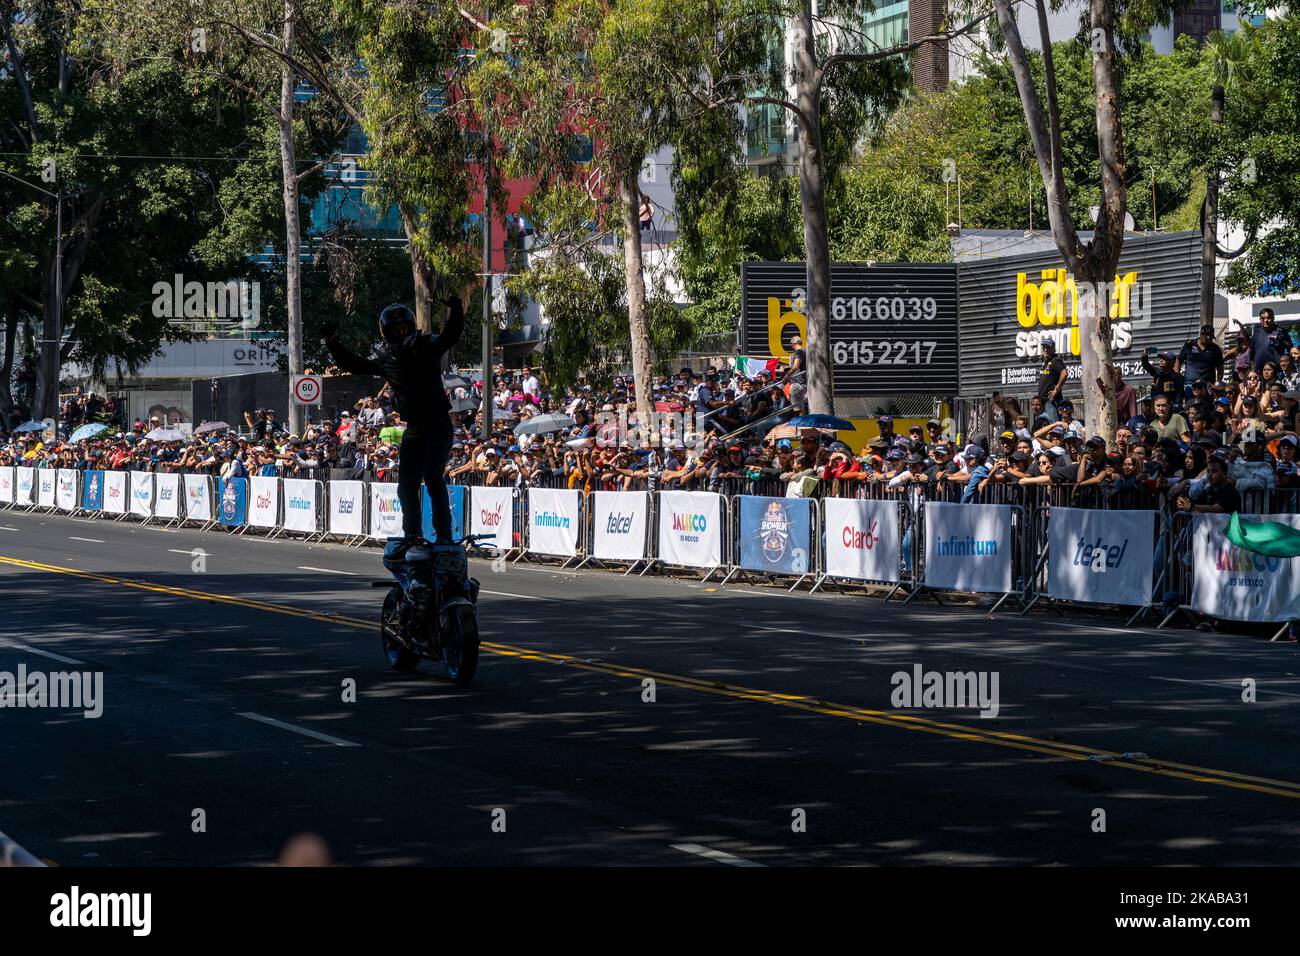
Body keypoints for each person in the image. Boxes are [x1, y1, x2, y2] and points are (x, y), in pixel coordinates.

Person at [325, 298, 465, 552]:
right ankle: (412, 534)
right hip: (414, 428)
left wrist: (456, 311)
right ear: (387, 333)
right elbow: (353, 364)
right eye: (395, 330)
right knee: (406, 485)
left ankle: (444, 535)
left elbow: (450, 336)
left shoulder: (428, 346)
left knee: (433, 476)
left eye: (404, 328)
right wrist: (332, 342)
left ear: (411, 327)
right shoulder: (386, 359)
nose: (401, 333)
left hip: (438, 424)